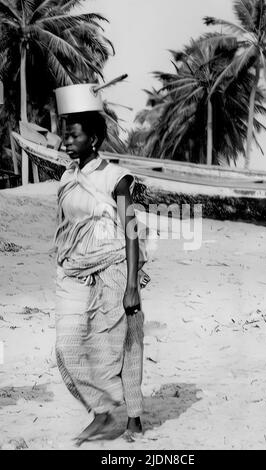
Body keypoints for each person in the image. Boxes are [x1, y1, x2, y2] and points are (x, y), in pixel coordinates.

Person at [54, 111, 150, 445]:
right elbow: (66, 227)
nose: (66, 141)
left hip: (114, 267)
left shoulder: (116, 178)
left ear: (93, 140)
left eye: (74, 135)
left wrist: (132, 286)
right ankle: (102, 411)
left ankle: (134, 419)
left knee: (124, 345)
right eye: (65, 135)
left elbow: (131, 229)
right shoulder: (67, 177)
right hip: (76, 272)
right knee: (66, 346)